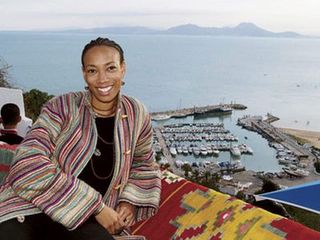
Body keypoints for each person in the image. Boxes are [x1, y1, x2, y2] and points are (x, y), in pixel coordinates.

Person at [0, 37, 161, 240]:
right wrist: (97, 207)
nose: (102, 79)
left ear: (123, 68)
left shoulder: (137, 114)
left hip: (86, 222)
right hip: (32, 207)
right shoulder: (61, 107)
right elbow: (26, 162)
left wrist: (129, 201)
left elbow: (144, 164)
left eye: (110, 68)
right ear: (84, 74)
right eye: (93, 70)